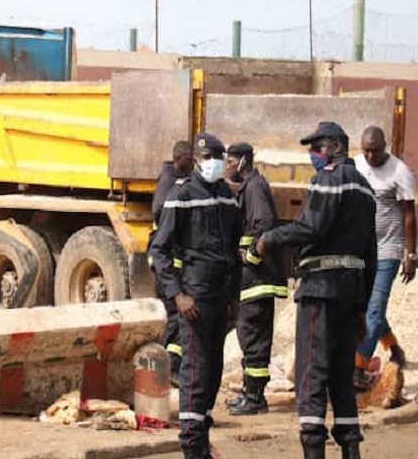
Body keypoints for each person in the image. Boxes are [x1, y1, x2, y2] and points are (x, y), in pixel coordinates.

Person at [255, 122, 376, 459]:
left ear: (337, 147)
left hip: (321, 291)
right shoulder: (366, 189)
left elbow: (311, 227)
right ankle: (351, 449)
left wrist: (270, 239)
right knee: (341, 377)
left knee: (312, 374)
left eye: (318, 147)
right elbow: (371, 253)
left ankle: (313, 449)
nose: (313, 155)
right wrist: (362, 308)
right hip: (351, 295)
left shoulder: (329, 179)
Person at [150, 133, 242, 459]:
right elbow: (158, 250)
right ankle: (191, 446)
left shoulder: (229, 198)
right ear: (197, 161)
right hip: (195, 301)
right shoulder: (182, 195)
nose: (211, 163)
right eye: (205, 158)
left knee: (213, 372)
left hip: (220, 301)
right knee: (194, 371)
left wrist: (234, 296)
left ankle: (201, 442)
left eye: (216, 157)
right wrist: (177, 296)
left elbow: (234, 250)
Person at [223, 142, 287, 416]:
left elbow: (265, 225)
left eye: (231, 161)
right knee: (249, 336)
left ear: (244, 162)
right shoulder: (249, 187)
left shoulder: (255, 187)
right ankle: (250, 393)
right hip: (251, 279)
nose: (227, 166)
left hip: (258, 279)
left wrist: (250, 256)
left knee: (254, 336)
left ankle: (255, 398)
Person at [352, 126, 416, 387]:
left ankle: (357, 369)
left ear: (384, 146)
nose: (369, 156)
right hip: (362, 248)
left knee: (375, 309)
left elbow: (410, 215)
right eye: (365, 150)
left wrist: (410, 253)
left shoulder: (399, 171)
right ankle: (394, 348)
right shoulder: (356, 165)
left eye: (374, 151)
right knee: (367, 305)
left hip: (389, 249)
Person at [150, 140, 194, 386]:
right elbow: (160, 212)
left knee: (178, 319)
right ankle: (166, 368)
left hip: (174, 264)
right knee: (172, 317)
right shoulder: (170, 181)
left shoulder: (177, 179)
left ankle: (172, 367)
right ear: (181, 158)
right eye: (191, 158)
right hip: (167, 265)